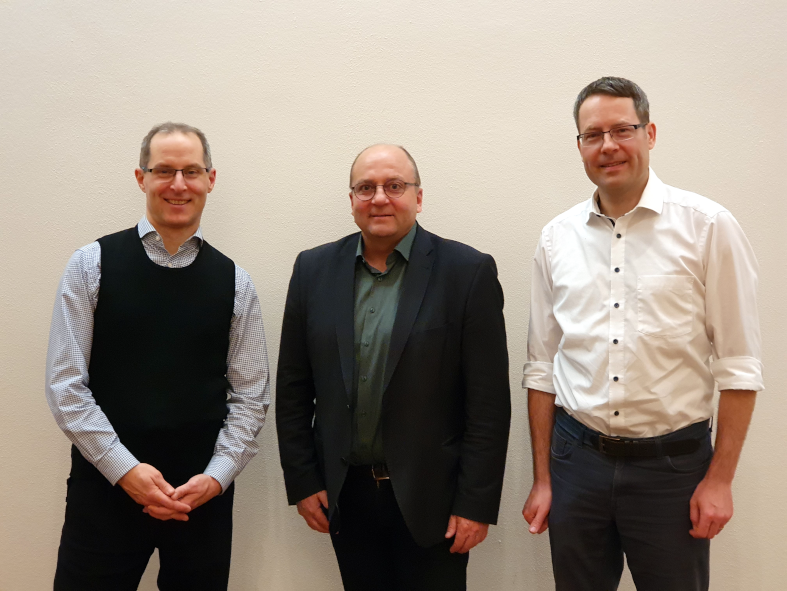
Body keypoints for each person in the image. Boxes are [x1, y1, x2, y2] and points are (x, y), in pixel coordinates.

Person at [521, 77, 764, 590]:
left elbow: (739, 365)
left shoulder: (708, 227)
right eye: (593, 135)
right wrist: (543, 478)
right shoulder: (556, 238)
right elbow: (542, 366)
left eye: (622, 130)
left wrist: (720, 480)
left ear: (649, 134)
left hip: (672, 472)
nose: (608, 146)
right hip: (576, 464)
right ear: (580, 146)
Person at [45, 122, 270, 590]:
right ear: (141, 177)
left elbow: (251, 397)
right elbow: (66, 386)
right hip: (104, 492)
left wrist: (216, 478)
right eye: (164, 170)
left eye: (192, 171)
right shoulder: (91, 265)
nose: (178, 184)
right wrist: (125, 471)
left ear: (210, 179)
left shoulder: (236, 283)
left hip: (200, 500)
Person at [276, 144, 511, 590]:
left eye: (394, 186)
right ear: (352, 200)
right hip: (346, 496)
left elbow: (488, 405)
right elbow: (293, 388)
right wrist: (303, 481)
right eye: (366, 188)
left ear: (418, 198)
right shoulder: (312, 270)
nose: (379, 198)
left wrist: (475, 504)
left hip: (434, 498)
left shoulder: (467, 272)